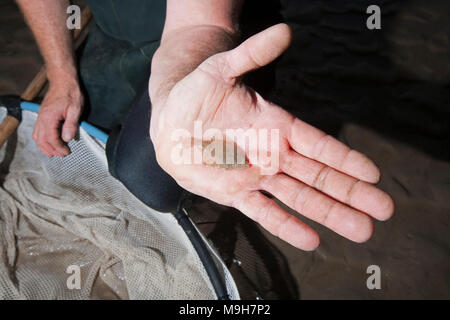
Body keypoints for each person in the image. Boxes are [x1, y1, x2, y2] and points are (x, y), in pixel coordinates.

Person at [17, 0, 394, 251]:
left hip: (211, 27)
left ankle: (199, 199)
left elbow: (200, 19)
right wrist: (61, 73)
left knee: (147, 176)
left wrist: (180, 77)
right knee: (90, 141)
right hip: (113, 28)